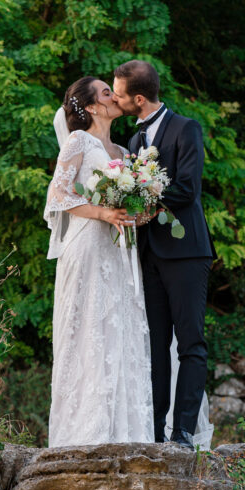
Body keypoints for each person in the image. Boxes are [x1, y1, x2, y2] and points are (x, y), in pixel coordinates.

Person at [43, 76, 155, 448]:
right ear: (91, 106)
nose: (114, 95)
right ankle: (82, 435)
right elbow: (58, 194)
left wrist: (139, 212)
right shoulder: (79, 142)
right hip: (88, 247)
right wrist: (102, 213)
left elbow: (130, 208)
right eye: (106, 91)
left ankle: (124, 435)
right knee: (89, 330)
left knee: (117, 331)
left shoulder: (124, 152)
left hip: (119, 252)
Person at [113, 60, 215, 451]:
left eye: (119, 94)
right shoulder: (135, 142)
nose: (116, 100)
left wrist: (141, 198)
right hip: (149, 256)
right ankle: (155, 431)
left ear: (138, 98)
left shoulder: (186, 128)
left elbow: (187, 189)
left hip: (186, 252)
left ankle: (184, 432)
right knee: (155, 347)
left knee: (190, 342)